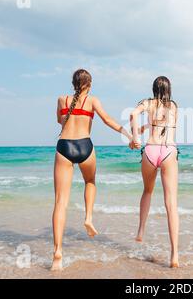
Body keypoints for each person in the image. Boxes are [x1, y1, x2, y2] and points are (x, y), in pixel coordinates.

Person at [52, 68, 136, 271]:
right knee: (90, 182)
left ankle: (57, 253)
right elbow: (107, 120)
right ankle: (88, 217)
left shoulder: (62, 99)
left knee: (60, 202)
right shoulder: (93, 100)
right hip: (85, 146)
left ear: (73, 83)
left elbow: (59, 121)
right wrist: (127, 134)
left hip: (64, 147)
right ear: (89, 84)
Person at [130, 76, 180, 268]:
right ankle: (174, 255)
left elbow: (134, 114)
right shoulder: (174, 106)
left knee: (147, 191)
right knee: (171, 203)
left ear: (153, 89)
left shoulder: (148, 103)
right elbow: (163, 125)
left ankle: (141, 231)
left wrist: (136, 137)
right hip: (168, 151)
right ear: (169, 89)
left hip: (150, 150)